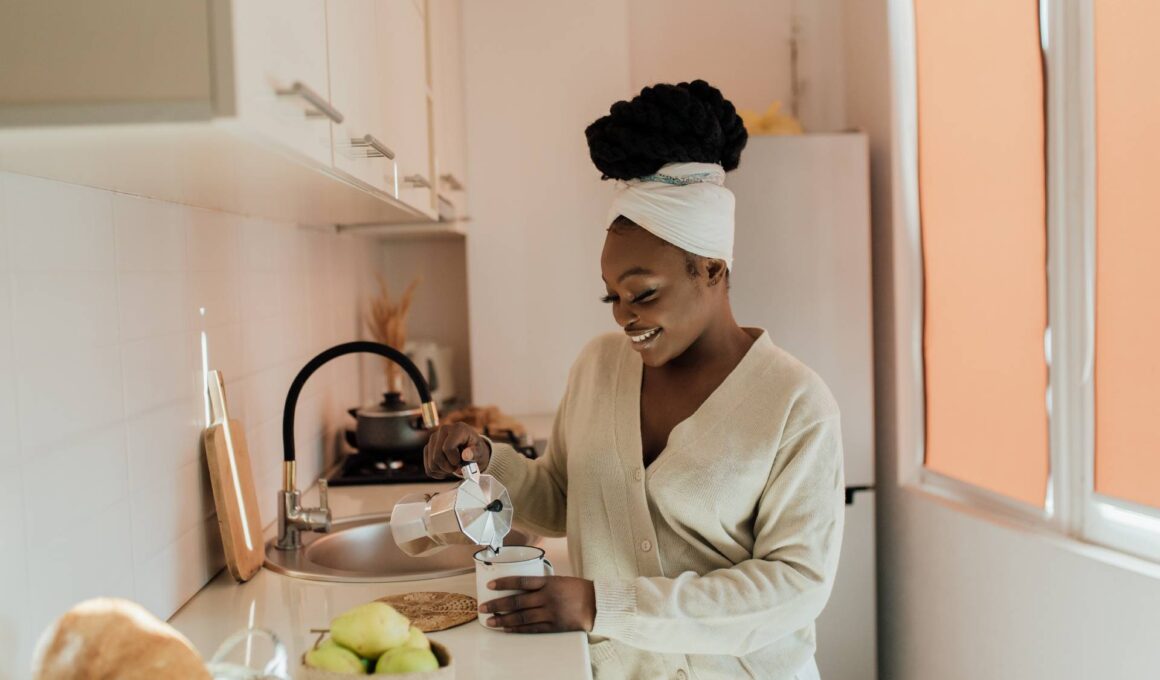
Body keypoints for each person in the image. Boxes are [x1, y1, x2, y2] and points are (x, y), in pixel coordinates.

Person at [424, 79, 844, 680]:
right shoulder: (599, 367)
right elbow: (566, 496)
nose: (624, 315)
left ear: (711, 269)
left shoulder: (796, 405)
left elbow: (795, 586)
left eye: (643, 293)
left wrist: (604, 604)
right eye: (612, 296)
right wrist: (487, 459)